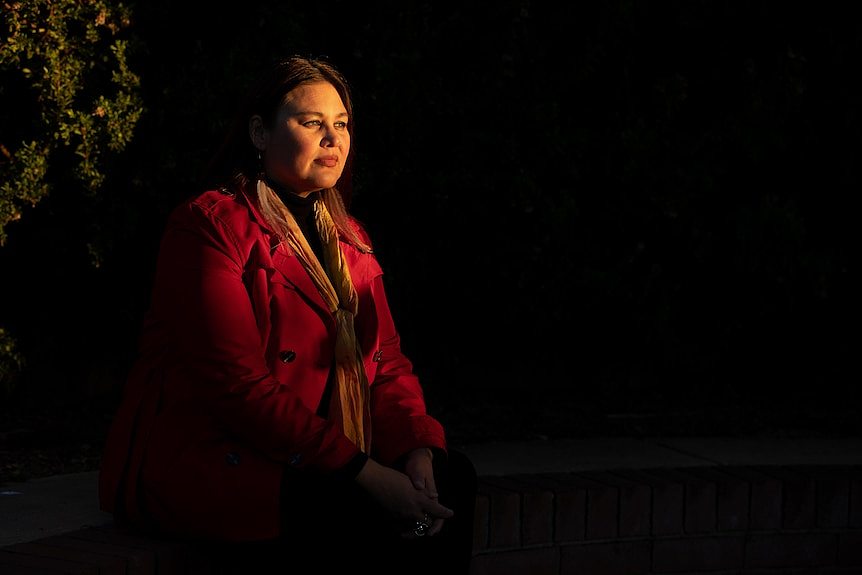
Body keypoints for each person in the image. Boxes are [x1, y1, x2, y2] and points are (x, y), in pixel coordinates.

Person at [98, 55, 477, 573]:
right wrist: (362, 472)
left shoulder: (349, 237)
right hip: (227, 455)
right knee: (352, 506)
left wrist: (415, 450)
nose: (333, 139)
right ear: (259, 132)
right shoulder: (208, 226)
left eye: (341, 124)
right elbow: (238, 386)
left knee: (451, 481)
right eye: (311, 122)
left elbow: (385, 361)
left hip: (321, 453)